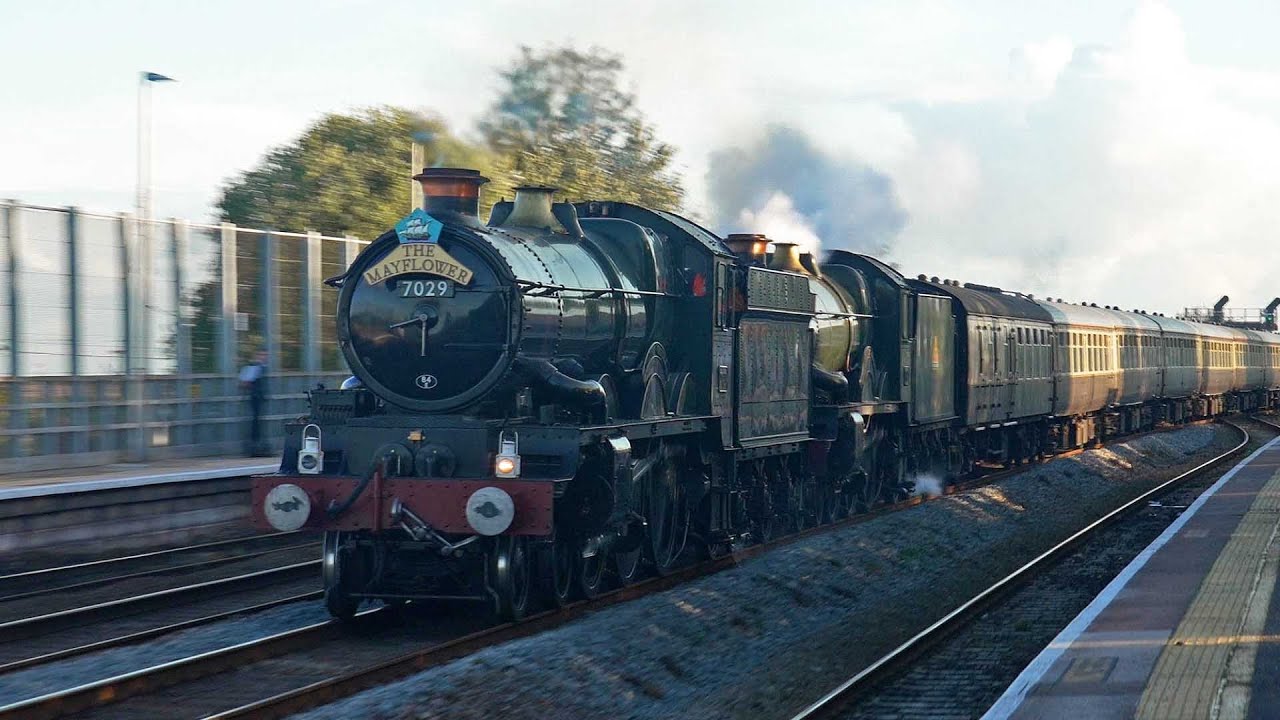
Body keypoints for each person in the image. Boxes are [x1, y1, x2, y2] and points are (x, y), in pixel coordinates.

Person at [239, 350, 269, 456]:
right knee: (255, 422)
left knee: (257, 422)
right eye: (262, 355)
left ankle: (256, 445)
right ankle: (255, 446)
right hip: (255, 398)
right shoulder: (254, 367)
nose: (264, 357)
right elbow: (245, 382)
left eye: (265, 355)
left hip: (257, 398)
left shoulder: (260, 367)